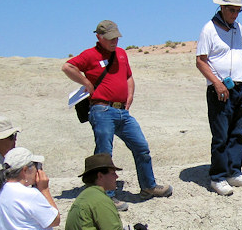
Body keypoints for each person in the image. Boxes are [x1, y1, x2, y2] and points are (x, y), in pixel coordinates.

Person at [61, 20, 172, 211]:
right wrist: (86, 83)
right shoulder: (90, 55)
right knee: (105, 154)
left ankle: (148, 186)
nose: (115, 42)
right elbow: (67, 67)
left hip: (123, 111)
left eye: (117, 38)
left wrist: (130, 94)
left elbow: (128, 76)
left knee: (141, 147)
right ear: (99, 37)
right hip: (102, 110)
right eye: (111, 38)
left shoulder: (121, 54)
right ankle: (106, 197)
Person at [196, 0, 242, 196]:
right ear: (221, 7)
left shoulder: (238, 28)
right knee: (221, 134)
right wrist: (217, 83)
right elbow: (200, 61)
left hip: (239, 87)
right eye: (232, 10)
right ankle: (218, 176)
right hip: (219, 89)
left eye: (239, 10)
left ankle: (234, 172)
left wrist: (238, 55)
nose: (235, 14)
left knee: (237, 133)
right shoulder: (209, 29)